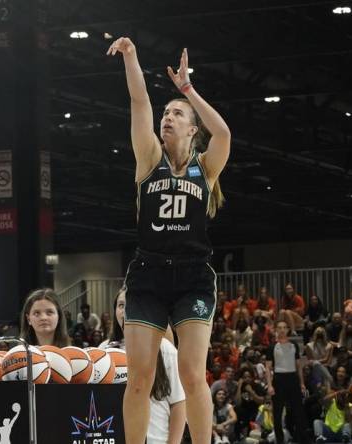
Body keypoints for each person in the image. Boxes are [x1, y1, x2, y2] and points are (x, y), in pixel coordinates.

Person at [108, 36, 230, 444]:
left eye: (177, 114)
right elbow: (139, 103)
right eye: (167, 113)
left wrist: (188, 91)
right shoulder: (148, 158)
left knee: (193, 374)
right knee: (139, 379)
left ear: (193, 129)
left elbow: (224, 133)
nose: (167, 118)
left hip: (194, 276)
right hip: (148, 274)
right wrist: (131, 57)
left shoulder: (205, 168)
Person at [107, 288, 186, 444]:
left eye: (132, 304)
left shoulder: (165, 349)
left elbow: (179, 404)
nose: (126, 310)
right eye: (121, 305)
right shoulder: (104, 352)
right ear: (115, 311)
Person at [264, 320, 310, 444]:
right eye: (280, 327)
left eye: (285, 327)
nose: (282, 330)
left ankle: (300, 439)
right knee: (277, 414)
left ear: (288, 330)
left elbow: (299, 365)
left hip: (293, 379)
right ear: (276, 330)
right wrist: (269, 385)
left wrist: (301, 383)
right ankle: (280, 441)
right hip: (278, 380)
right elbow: (268, 368)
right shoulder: (272, 347)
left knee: (298, 412)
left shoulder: (294, 345)